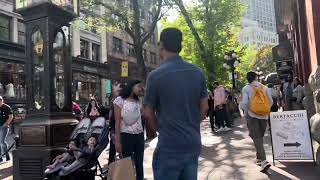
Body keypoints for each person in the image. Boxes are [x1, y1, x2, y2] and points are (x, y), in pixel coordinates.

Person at [144, 28, 209, 180]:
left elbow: (148, 112)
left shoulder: (155, 76)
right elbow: (204, 107)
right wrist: (192, 123)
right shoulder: (197, 72)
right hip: (193, 142)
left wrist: (160, 129)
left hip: (169, 145)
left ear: (161, 45)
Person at [241, 72, 273, 172]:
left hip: (252, 115)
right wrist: (264, 110)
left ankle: (264, 161)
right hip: (264, 116)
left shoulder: (246, 88)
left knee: (256, 137)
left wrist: (246, 114)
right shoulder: (265, 87)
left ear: (247, 79)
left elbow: (245, 103)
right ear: (256, 77)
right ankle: (259, 158)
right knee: (259, 137)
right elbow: (271, 101)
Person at [114, 80, 145, 180]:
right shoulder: (119, 100)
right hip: (126, 135)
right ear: (132, 86)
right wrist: (117, 142)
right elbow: (117, 122)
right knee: (127, 164)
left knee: (139, 163)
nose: (141, 89)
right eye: (139, 86)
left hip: (139, 135)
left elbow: (143, 116)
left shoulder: (139, 100)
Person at [107, 83, 124, 165]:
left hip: (114, 127)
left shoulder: (114, 100)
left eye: (115, 89)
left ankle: (111, 165)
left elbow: (110, 115)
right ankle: (125, 165)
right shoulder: (125, 100)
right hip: (122, 127)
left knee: (113, 147)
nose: (114, 91)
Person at [0, 96, 13, 162]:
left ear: (2, 100)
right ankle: (0, 157)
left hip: (4, 127)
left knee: (2, 142)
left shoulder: (7, 107)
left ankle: (7, 155)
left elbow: (11, 116)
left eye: (0, 100)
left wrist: (6, 124)